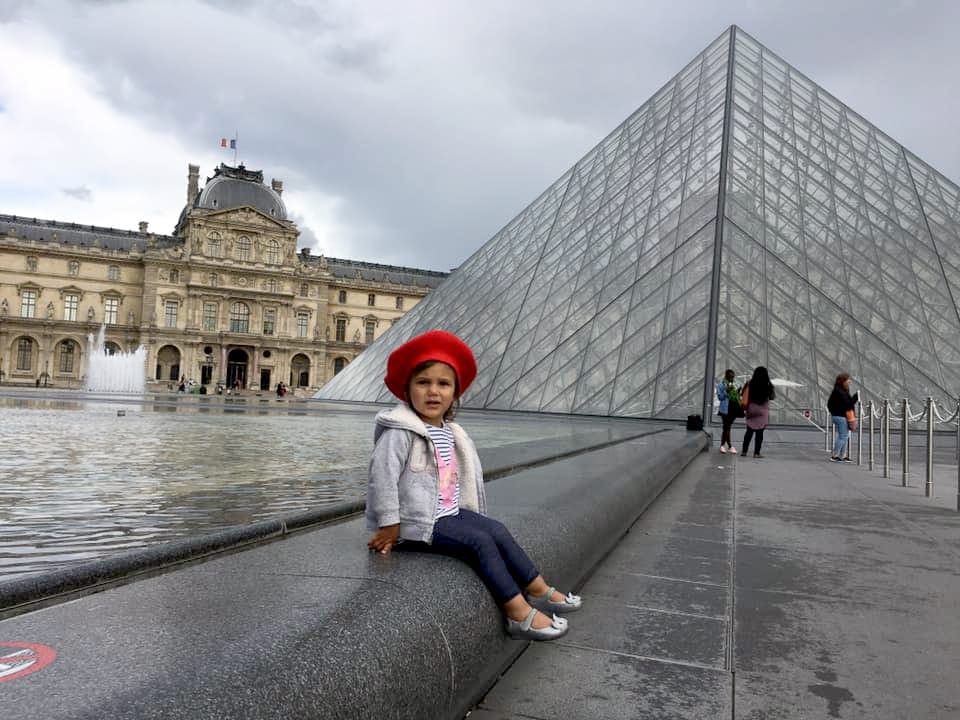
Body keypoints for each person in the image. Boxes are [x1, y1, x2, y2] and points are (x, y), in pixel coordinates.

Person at [366, 330, 582, 641]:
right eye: (423, 382)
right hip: (418, 523)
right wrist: (389, 524)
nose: (433, 392)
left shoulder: (449, 430)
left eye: (443, 384)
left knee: (496, 530)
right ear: (407, 389)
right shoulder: (400, 432)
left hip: (447, 514)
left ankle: (540, 589)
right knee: (480, 543)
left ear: (455, 394)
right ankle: (517, 613)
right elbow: (381, 478)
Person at [740, 366, 775, 458]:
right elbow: (772, 397)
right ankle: (756, 453)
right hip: (762, 410)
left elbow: (742, 393)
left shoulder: (750, 383)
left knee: (749, 431)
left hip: (751, 408)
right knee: (760, 433)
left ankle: (744, 451)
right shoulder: (767, 384)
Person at [827, 373, 859, 462]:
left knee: (845, 436)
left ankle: (842, 456)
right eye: (848, 379)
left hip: (839, 416)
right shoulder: (840, 392)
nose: (850, 381)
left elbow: (830, 404)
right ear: (843, 381)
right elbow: (848, 404)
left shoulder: (840, 390)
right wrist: (855, 398)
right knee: (843, 436)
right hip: (841, 416)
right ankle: (834, 455)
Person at [715, 368, 741, 454]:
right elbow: (720, 398)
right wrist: (727, 391)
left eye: (733, 377)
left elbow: (738, 396)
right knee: (726, 427)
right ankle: (726, 446)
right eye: (730, 377)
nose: (732, 378)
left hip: (734, 408)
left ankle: (726, 446)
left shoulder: (736, 384)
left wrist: (738, 391)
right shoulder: (721, 385)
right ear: (726, 376)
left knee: (727, 427)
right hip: (725, 409)